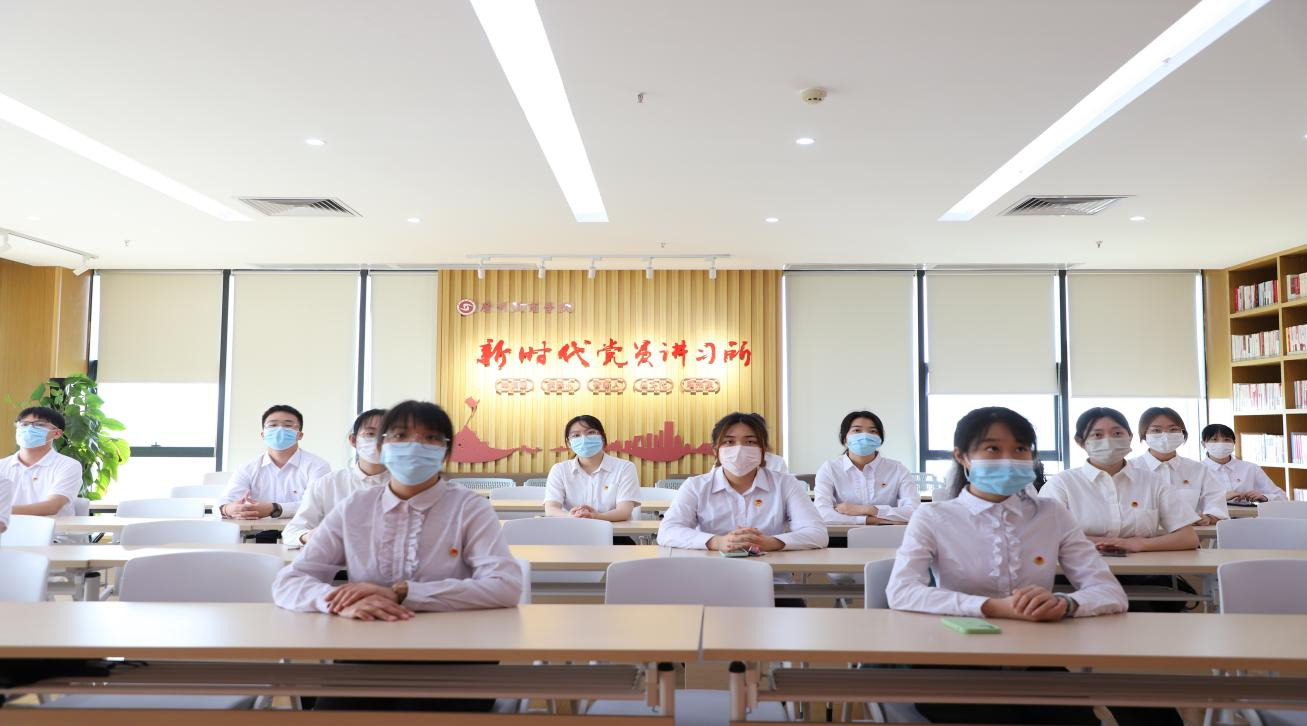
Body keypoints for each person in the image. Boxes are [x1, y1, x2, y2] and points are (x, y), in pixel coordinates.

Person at [885, 407, 1134, 725]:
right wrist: (992, 607)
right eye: (992, 448)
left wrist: (1065, 603)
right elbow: (901, 591)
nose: (1009, 459)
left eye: (1020, 449)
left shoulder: (1051, 513)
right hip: (952, 655)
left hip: (1033, 655)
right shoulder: (934, 516)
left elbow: (1110, 592)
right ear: (962, 457)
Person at [272, 400, 522, 712]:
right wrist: (339, 602)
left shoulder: (469, 507)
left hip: (457, 650)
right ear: (381, 446)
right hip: (367, 646)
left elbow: (505, 585)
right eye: (401, 435)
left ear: (446, 452)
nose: (415, 445)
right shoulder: (355, 507)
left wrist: (401, 593)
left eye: (430, 438)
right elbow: (290, 582)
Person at [1040, 407, 1198, 621]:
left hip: (1141, 577)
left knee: (1147, 620)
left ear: (1130, 437)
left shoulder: (1151, 481)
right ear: (1081, 442)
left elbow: (1188, 537)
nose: (1108, 440)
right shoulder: (1062, 483)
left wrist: (1138, 544)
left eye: (1117, 433)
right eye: (1097, 435)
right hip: (1077, 576)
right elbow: (1045, 535)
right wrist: (1103, 542)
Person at [658, 412, 826, 554]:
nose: (739, 449)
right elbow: (667, 531)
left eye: (750, 442)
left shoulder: (785, 484)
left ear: (763, 449)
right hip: (711, 575)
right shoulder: (695, 486)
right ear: (715, 450)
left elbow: (817, 533)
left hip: (772, 576)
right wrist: (717, 542)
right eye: (729, 442)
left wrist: (770, 542)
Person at [283, 409, 390, 547]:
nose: (378, 441)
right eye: (370, 434)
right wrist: (309, 536)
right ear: (353, 440)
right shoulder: (329, 483)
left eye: (387, 435)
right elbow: (292, 532)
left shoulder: (408, 485)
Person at [218, 405, 331, 523]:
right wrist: (227, 509)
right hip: (255, 531)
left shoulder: (318, 466)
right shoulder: (247, 468)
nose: (280, 430)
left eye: (288, 425)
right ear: (263, 435)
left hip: (303, 531)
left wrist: (274, 509)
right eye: (272, 425)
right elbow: (225, 500)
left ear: (300, 435)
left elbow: (316, 505)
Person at [814, 410, 919, 526]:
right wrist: (873, 520)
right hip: (841, 535)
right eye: (857, 430)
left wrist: (866, 510)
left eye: (873, 431)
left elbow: (915, 511)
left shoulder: (897, 469)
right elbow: (822, 514)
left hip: (890, 534)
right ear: (844, 439)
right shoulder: (829, 469)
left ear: (880, 440)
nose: (865, 436)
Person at [1128, 407, 1228, 525]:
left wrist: (1209, 517)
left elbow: (1216, 502)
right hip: (1140, 535)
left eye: (1173, 429)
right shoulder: (1129, 468)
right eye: (1156, 430)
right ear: (1144, 434)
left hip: (1189, 535)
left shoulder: (1198, 469)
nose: (1165, 435)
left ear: (1182, 433)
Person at [543, 415, 640, 522]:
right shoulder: (559, 470)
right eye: (576, 435)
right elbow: (551, 508)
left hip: (614, 530)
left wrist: (596, 517)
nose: (584, 438)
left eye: (591, 432)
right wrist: (570, 516)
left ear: (602, 437)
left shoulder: (624, 468)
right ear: (569, 443)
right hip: (571, 528)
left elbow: (624, 511)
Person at [1, 407, 83, 518]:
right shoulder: (2, 466)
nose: (29, 429)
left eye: (39, 424)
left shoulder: (68, 466)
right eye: (24, 424)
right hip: (7, 528)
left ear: (57, 433)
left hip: (54, 528)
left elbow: (51, 506)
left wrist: (4, 510)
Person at [1200, 423, 1287, 503]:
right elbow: (1193, 503)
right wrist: (1221, 498)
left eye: (1227, 440)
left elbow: (1282, 497)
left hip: (1247, 515)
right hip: (1211, 516)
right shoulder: (1198, 470)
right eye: (1214, 440)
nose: (1221, 444)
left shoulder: (1251, 468)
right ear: (1203, 444)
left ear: (1234, 443)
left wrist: (1264, 497)